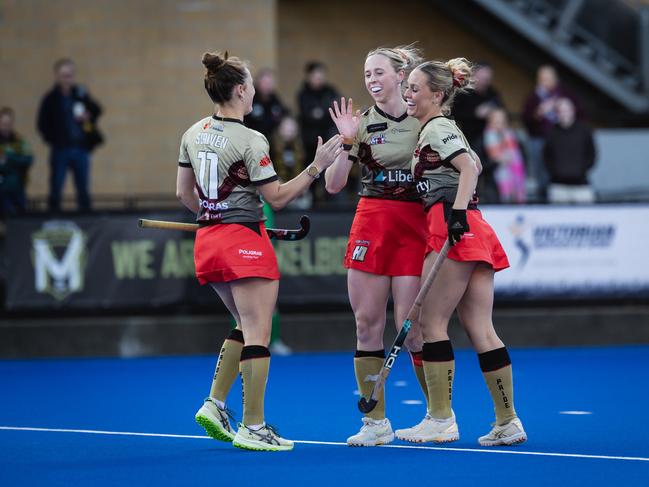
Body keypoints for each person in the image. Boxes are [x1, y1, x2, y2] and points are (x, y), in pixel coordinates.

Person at [176, 50, 342, 452]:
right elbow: (278, 197)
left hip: (209, 242)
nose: (253, 92)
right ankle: (254, 426)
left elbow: (183, 194)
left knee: (244, 324)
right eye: (249, 85)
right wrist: (316, 166)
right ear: (238, 91)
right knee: (258, 333)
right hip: (243, 243)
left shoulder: (192, 131)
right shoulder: (251, 139)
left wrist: (216, 215)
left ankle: (215, 404)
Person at [399, 58, 527, 446]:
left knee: (429, 325)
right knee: (481, 329)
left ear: (437, 95)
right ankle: (507, 421)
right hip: (470, 227)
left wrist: (454, 214)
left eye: (415, 88)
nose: (407, 93)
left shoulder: (437, 127)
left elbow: (470, 167)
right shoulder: (438, 129)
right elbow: (475, 165)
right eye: (407, 87)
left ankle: (440, 419)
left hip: (452, 228)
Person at [325, 45, 429, 447]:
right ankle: (376, 423)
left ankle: (438, 415)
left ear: (400, 76)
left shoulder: (426, 120)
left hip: (413, 226)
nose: (372, 80)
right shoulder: (361, 123)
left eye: (379, 72)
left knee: (413, 329)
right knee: (366, 324)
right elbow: (334, 185)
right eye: (367, 73)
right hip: (372, 223)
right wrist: (347, 143)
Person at [37, 58, 103, 212]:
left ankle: (86, 221)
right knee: (56, 188)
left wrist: (88, 116)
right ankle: (53, 220)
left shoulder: (80, 94)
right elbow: (42, 124)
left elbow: (97, 110)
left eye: (70, 75)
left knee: (83, 189)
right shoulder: (51, 99)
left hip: (80, 149)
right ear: (57, 76)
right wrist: (54, 140)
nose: (68, 79)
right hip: (60, 149)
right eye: (64, 75)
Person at [522, 65, 582, 202]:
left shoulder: (564, 94)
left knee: (560, 170)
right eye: (543, 78)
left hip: (562, 139)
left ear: (555, 79)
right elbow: (526, 120)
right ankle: (542, 199)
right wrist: (539, 112)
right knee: (541, 175)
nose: (546, 81)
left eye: (549, 78)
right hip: (540, 140)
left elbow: (580, 113)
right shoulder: (534, 97)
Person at [452, 62, 503, 203]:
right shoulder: (464, 93)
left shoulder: (492, 93)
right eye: (482, 77)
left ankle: (494, 199)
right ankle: (472, 197)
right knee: (473, 170)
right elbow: (455, 114)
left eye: (487, 78)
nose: (485, 81)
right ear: (474, 76)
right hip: (470, 140)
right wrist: (476, 113)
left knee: (492, 172)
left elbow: (501, 112)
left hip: (491, 141)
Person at [298, 61, 340, 206]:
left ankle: (330, 201)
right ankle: (311, 200)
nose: (319, 77)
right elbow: (308, 116)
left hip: (329, 138)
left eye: (321, 74)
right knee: (312, 172)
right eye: (316, 74)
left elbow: (336, 110)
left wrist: (319, 113)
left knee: (330, 172)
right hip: (310, 142)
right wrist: (322, 113)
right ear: (309, 76)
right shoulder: (303, 93)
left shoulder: (330, 91)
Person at [543, 98, 596, 204]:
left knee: (586, 218)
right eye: (561, 111)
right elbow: (546, 156)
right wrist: (556, 172)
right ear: (557, 114)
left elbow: (592, 154)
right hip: (558, 186)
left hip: (581, 185)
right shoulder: (551, 133)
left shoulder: (584, 131)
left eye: (567, 110)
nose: (564, 114)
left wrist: (582, 170)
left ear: (573, 111)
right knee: (558, 219)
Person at [243, 68, 288, 161]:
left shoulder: (274, 99)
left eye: (270, 83)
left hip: (271, 142)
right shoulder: (252, 99)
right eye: (265, 83)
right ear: (258, 83)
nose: (268, 86)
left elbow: (284, 113)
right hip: (252, 143)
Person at [483, 108, 526, 203]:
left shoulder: (511, 135)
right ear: (490, 121)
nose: (500, 123)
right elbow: (483, 163)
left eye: (502, 120)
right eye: (496, 120)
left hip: (514, 178)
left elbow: (520, 158)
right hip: (493, 182)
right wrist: (498, 160)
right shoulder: (484, 138)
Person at [0, 107, 33, 217]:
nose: (6, 126)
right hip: (2, 188)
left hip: (18, 187)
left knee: (20, 217)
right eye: (4, 123)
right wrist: (15, 163)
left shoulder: (19, 141)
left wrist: (9, 158)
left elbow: (28, 159)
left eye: (8, 123)